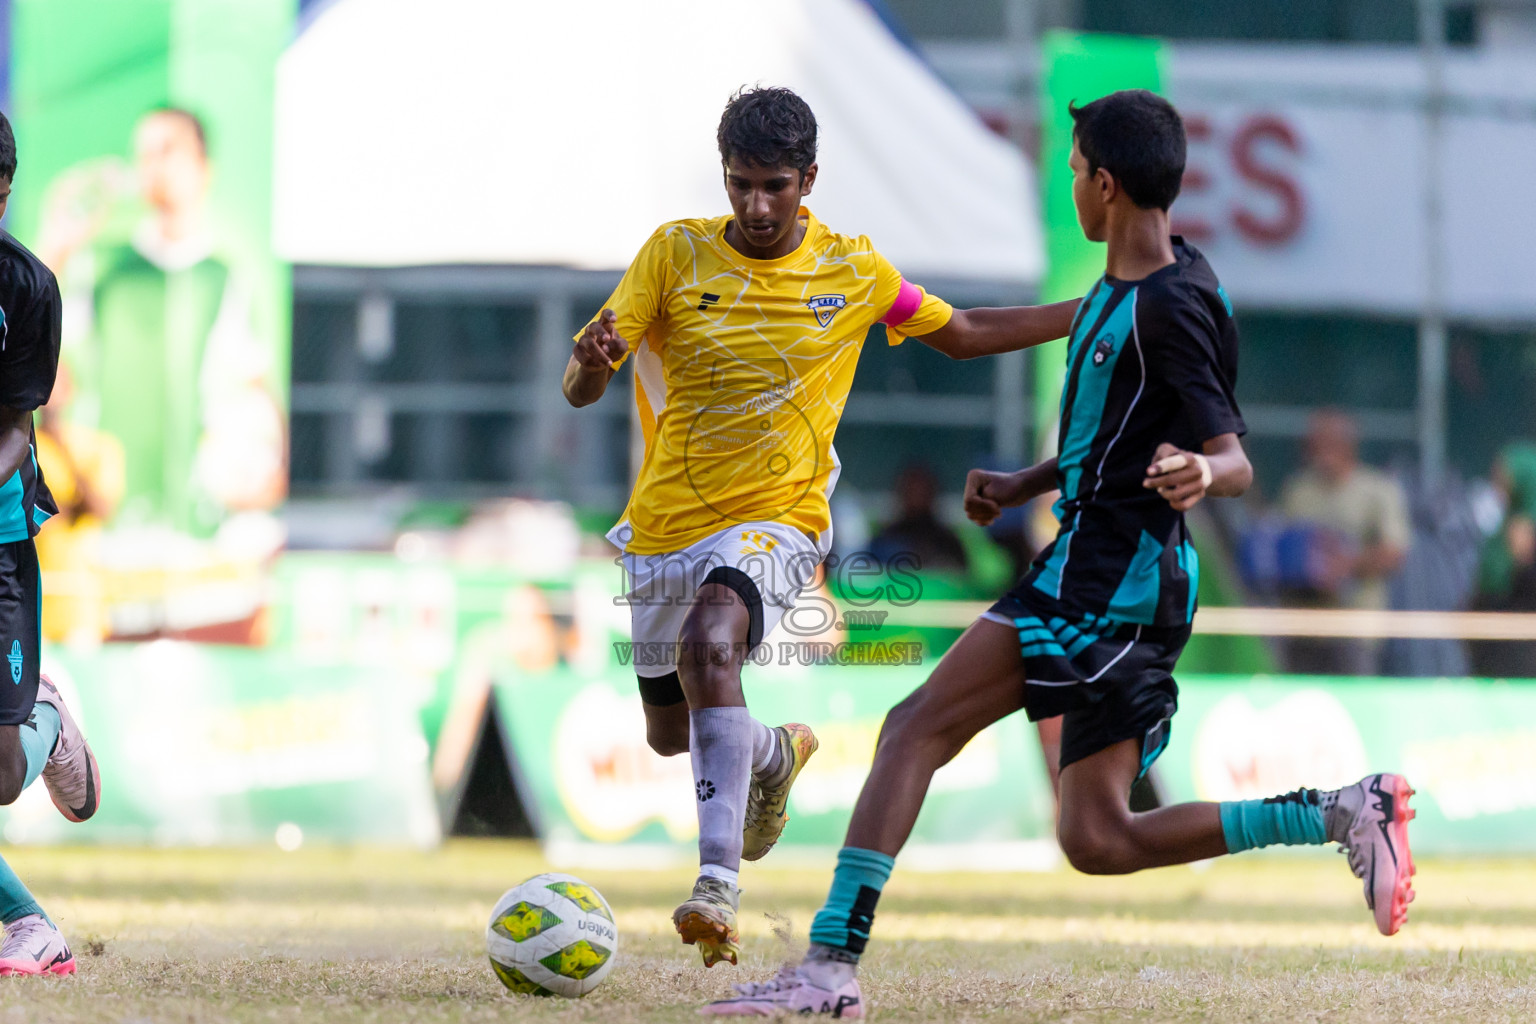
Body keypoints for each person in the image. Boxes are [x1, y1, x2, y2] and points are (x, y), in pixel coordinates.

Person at [703, 90, 1416, 1017]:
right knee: (1099, 839)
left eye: (1076, 171)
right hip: (1093, 566)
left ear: (1106, 186)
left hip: (1111, 586)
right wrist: (1026, 482)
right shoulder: (1135, 287)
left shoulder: (1170, 306)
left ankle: (829, 971)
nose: (1072, 183)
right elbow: (1112, 437)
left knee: (913, 728)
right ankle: (1341, 810)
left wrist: (1206, 468)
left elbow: (1235, 456)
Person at [564, 86, 1079, 969]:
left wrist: (1098, 308)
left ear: (809, 178)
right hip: (663, 527)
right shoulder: (674, 255)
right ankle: (770, 754)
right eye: (740, 185)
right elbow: (582, 386)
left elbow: (963, 332)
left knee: (712, 645)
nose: (756, 206)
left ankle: (716, 885)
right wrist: (587, 366)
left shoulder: (853, 271)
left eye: (774, 186)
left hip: (780, 520)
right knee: (668, 730)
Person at [39, 107, 285, 536]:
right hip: (112, 519)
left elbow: (255, 384)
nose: (155, 165)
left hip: (199, 525)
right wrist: (56, 245)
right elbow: (44, 355)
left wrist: (274, 468)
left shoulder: (222, 276)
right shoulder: (105, 267)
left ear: (204, 169)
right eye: (145, 154)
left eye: (168, 150)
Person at [0, 110, 105, 977]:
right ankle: (27, 927)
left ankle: (45, 722)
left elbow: (12, 428)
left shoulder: (25, 289)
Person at [1278, 409, 1410, 675]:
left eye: (1327, 443)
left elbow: (1395, 553)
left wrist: (1345, 564)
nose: (1318, 451)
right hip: (1304, 625)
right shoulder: (1298, 489)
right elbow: (1279, 541)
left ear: (1347, 445)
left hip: (1355, 625)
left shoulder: (1377, 489)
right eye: (1313, 444)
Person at [1468, 442, 1536, 677]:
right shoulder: (1507, 519)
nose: (1498, 483)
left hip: (1518, 640)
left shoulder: (1524, 521)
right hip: (1493, 629)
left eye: (1503, 473)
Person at [868, 462, 968, 573]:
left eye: (922, 490)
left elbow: (960, 580)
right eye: (911, 489)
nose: (917, 496)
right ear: (900, 492)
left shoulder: (948, 543)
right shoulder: (883, 540)